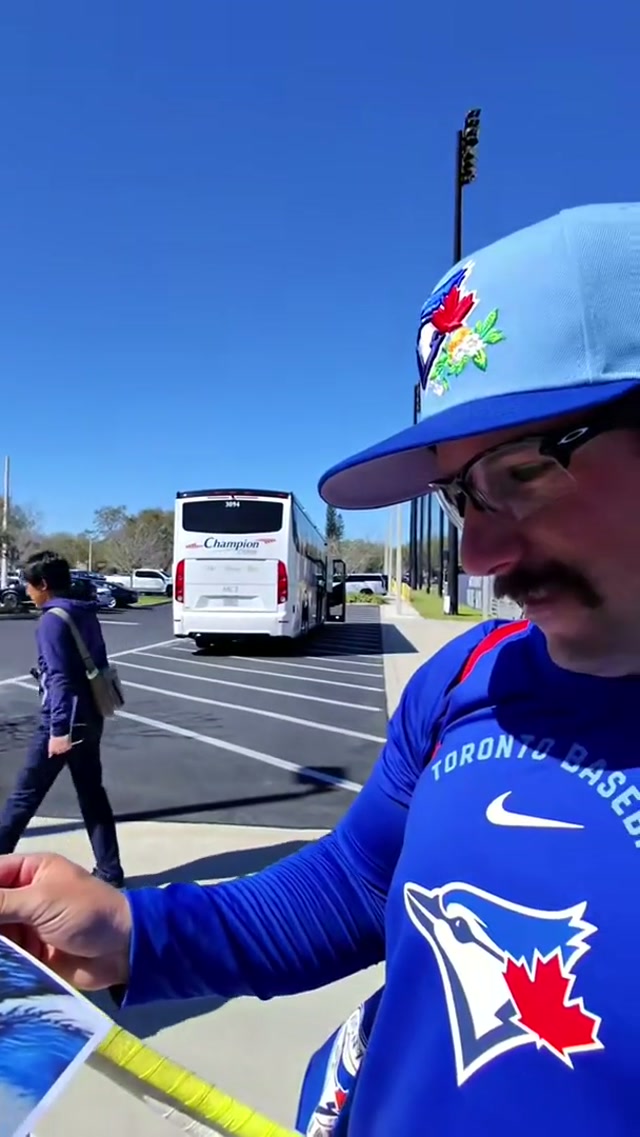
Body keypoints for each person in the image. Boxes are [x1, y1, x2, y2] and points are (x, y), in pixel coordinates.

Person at [0, 202, 638, 1136]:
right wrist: (133, 932)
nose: (479, 554)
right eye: (460, 496)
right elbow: (358, 883)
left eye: (524, 471)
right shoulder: (468, 678)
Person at [0, 551, 124, 887]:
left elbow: (60, 678)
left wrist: (58, 730)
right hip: (91, 714)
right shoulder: (83, 613)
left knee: (24, 796)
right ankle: (110, 870)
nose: (27, 591)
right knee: (92, 795)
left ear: (43, 584)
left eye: (28, 584)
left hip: (64, 721)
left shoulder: (51, 620)